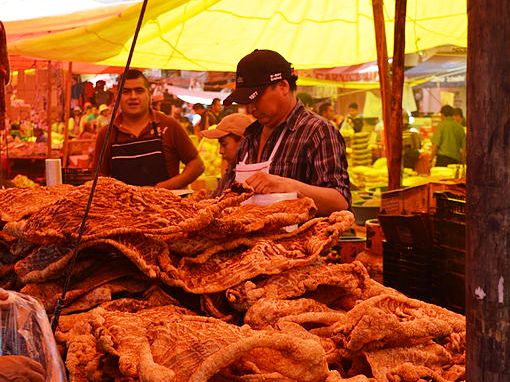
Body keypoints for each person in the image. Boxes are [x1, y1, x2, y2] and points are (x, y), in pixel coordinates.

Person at [221, 49, 351, 215]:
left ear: (283, 86)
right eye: (246, 101)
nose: (250, 107)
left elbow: (340, 202)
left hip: (298, 240)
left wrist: (290, 186)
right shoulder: (249, 137)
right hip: (247, 239)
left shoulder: (318, 132)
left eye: (256, 98)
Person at [92, 69, 204, 188]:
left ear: (148, 94)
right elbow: (98, 176)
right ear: (117, 96)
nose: (133, 97)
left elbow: (197, 164)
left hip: (166, 204)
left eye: (139, 91)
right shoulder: (106, 134)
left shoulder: (168, 125)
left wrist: (165, 188)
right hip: (123, 205)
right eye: (126, 92)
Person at [201, 113, 254, 195]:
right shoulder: (231, 171)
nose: (220, 151)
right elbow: (215, 199)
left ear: (243, 142)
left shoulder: (252, 177)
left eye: (224, 144)